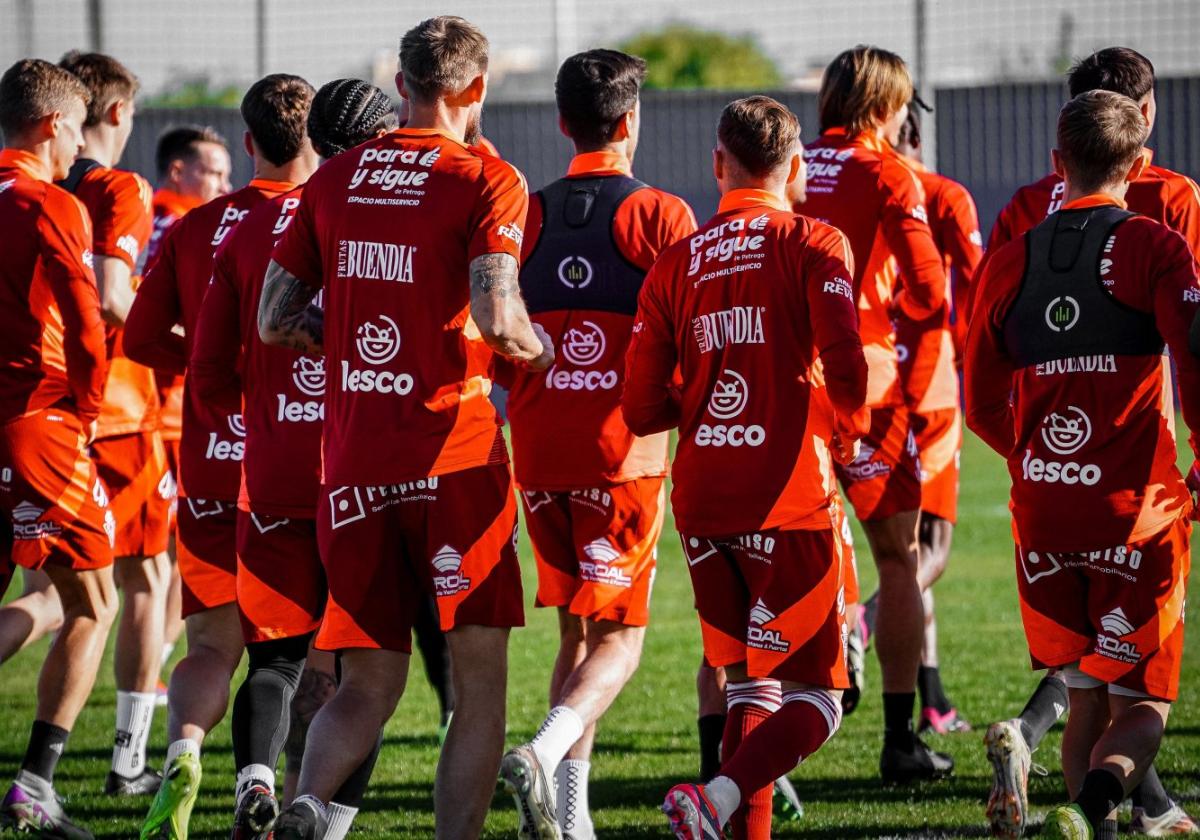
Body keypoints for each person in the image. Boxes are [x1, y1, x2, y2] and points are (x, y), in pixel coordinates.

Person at [259, 16, 552, 840]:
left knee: (365, 683)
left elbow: (275, 322)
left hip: (352, 467)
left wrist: (349, 334)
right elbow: (499, 320)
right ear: (477, 90)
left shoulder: (334, 178)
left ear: (401, 86)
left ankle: (310, 805)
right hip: (454, 464)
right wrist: (542, 352)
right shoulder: (486, 178)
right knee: (477, 684)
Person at [624, 94, 868, 840]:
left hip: (703, 502)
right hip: (787, 498)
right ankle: (720, 796)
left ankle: (726, 811)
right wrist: (850, 441)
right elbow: (848, 369)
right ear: (797, 168)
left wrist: (701, 404)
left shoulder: (675, 262)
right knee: (821, 698)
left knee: (749, 690)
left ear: (718, 165)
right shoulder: (816, 242)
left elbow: (638, 409)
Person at [965, 89, 1200, 840]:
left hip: (1043, 517)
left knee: (1082, 694)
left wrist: (1036, 461)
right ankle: (1090, 806)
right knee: (1144, 706)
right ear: (1137, 165)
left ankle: (1085, 821)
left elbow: (979, 402)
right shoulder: (1156, 247)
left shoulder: (1008, 263)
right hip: (1136, 515)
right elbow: (1195, 368)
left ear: (1056, 162)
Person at [187, 77, 398, 840]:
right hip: (362, 478)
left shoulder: (244, 232)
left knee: (273, 661)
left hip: (272, 478)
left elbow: (207, 374)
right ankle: (326, 824)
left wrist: (261, 427)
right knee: (362, 675)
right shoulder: (393, 220)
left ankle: (254, 785)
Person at [494, 48, 695, 840]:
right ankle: (542, 756)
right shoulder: (662, 216)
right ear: (631, 119)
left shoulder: (527, 213)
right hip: (624, 460)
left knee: (576, 633)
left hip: (539, 452)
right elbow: (688, 339)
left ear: (561, 121)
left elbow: (498, 336)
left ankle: (571, 823)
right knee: (620, 640)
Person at [126, 73, 319, 840]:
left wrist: (215, 362)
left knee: (210, 642)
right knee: (295, 655)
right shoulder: (332, 222)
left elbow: (140, 340)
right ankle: (278, 791)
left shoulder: (199, 226)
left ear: (247, 145)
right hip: (296, 467)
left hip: (209, 460)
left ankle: (182, 750)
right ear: (316, 143)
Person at [798, 45, 951, 783]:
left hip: (785, 381)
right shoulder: (888, 172)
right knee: (901, 556)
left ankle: (759, 742)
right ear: (888, 108)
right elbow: (928, 291)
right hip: (866, 379)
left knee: (771, 553)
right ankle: (900, 739)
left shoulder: (786, 163)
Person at [0, 57, 118, 838]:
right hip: (37, 420)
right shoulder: (51, 202)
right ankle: (35, 785)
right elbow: (85, 320)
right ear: (51, 125)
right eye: (77, 129)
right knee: (94, 603)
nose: (82, 146)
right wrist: (91, 407)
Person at [57, 50, 174, 797]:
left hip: (42, 413)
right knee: (147, 580)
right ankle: (128, 762)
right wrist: (190, 345)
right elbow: (115, 301)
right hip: (119, 411)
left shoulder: (29, 182)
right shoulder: (119, 185)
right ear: (121, 113)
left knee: (49, 601)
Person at [889, 100, 983, 735]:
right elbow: (976, 287)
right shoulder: (941, 193)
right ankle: (861, 620)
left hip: (867, 390)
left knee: (903, 555)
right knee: (931, 554)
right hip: (929, 390)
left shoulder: (830, 182)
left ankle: (933, 700)